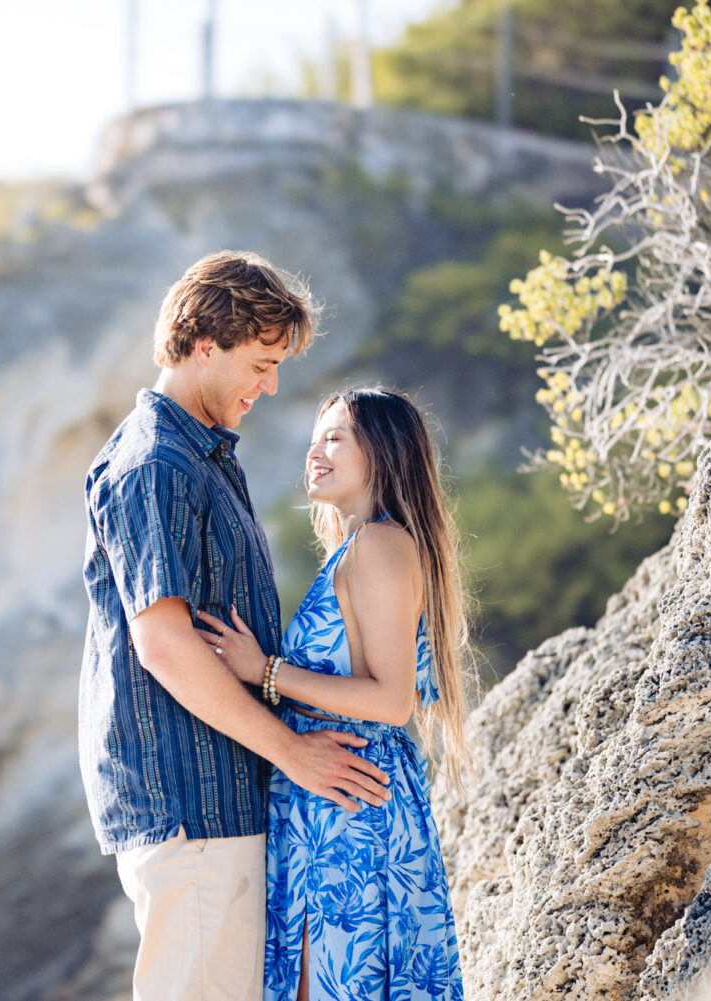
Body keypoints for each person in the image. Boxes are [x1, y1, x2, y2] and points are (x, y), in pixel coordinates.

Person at [79, 251, 393, 1001]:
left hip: (220, 802)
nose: (271, 385)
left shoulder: (204, 458)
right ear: (203, 345)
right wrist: (294, 753)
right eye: (260, 362)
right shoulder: (155, 464)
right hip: (193, 810)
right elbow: (163, 645)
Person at [196, 387, 471, 1001]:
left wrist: (265, 671)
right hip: (331, 796)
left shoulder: (379, 546)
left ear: (385, 451)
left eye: (336, 437)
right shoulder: (357, 550)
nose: (316, 450)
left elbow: (391, 700)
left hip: (353, 801)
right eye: (317, 436)